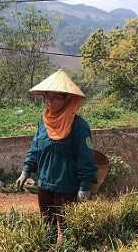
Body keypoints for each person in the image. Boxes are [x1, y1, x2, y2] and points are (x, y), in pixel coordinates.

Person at [16, 69, 97, 240]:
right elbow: (36, 148)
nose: (49, 101)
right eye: (46, 96)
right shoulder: (43, 122)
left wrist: (84, 186)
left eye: (55, 97)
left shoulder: (79, 125)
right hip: (45, 184)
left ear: (67, 99)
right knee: (47, 227)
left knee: (69, 230)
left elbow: (86, 156)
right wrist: (26, 171)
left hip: (67, 185)